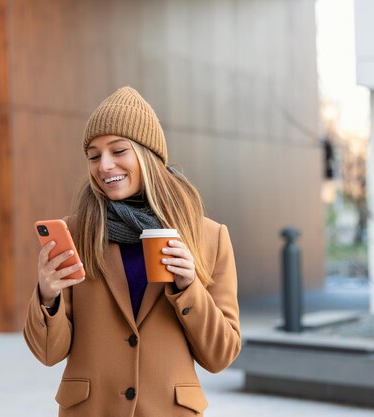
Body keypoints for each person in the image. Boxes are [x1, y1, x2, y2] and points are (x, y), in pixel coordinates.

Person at [24, 86, 241, 417]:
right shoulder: (76, 234)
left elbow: (221, 355)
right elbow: (48, 353)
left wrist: (188, 288)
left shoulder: (208, 237)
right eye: (94, 156)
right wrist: (47, 296)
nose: (105, 165)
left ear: (148, 155)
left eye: (118, 150)